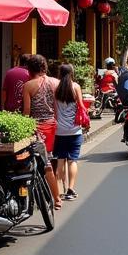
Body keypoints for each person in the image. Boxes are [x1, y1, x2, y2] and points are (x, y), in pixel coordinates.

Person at [21, 55, 62, 210]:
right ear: (44, 67)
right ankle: (56, 196)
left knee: (45, 164)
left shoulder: (29, 86)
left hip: (37, 128)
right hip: (54, 126)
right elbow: (59, 109)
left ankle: (56, 198)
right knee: (52, 161)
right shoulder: (56, 83)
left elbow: (26, 112)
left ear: (30, 69)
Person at [53, 63, 85, 201]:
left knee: (60, 159)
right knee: (72, 160)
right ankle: (70, 190)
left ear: (60, 73)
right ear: (72, 73)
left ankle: (60, 189)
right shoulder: (76, 87)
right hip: (75, 130)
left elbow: (54, 109)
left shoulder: (56, 88)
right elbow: (81, 106)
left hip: (59, 130)